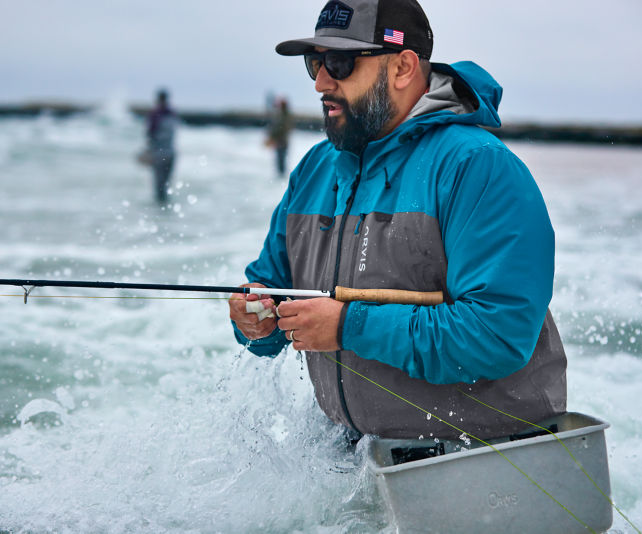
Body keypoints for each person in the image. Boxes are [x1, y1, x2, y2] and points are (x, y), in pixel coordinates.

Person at [228, 0, 567, 441]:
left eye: (340, 62)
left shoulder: (478, 166)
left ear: (404, 67)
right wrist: (256, 319)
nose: (322, 82)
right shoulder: (315, 168)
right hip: (355, 462)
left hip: (483, 466)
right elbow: (270, 286)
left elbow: (499, 333)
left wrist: (349, 326)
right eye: (315, 63)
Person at [145, 89, 179, 204]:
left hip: (159, 153)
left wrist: (148, 152)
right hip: (171, 152)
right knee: (166, 184)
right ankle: (165, 210)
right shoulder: (172, 114)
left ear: (158, 99)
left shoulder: (155, 114)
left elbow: (150, 134)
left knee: (158, 185)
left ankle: (159, 212)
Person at [265, 97, 294, 176]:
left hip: (282, 141)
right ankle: (281, 176)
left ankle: (281, 176)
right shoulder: (284, 115)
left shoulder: (283, 116)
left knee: (281, 160)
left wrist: (273, 137)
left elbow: (281, 129)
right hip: (282, 141)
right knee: (281, 160)